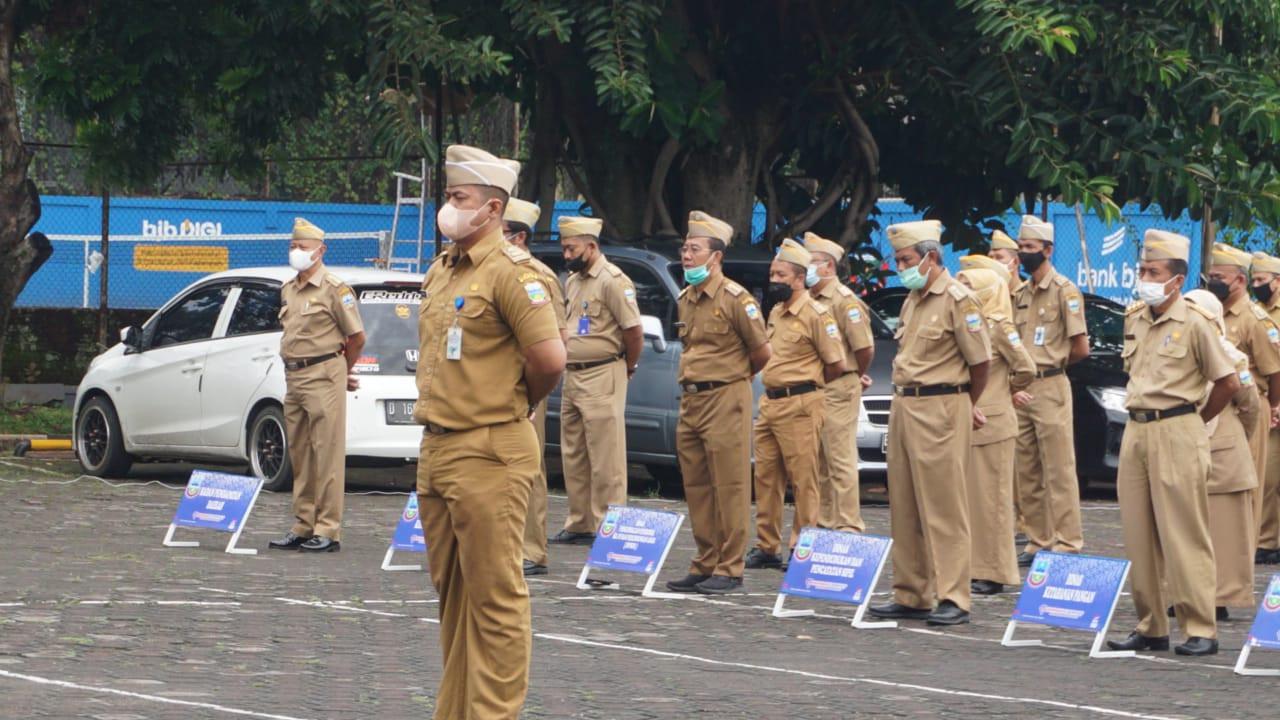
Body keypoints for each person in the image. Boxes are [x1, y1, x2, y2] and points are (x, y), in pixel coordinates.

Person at [414, 144, 566, 718]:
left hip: (489, 449)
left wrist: (514, 400)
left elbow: (549, 359)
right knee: (454, 599)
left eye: (459, 199)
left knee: (496, 600)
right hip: (440, 448)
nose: (448, 208)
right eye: (449, 197)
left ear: (493, 208)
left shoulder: (514, 274)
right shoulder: (443, 267)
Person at [1105, 229, 1237, 658]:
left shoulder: (1195, 323)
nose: (1144, 277)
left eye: (1153, 271)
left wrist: (1196, 421)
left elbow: (1227, 381)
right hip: (1138, 429)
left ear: (1177, 280)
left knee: (1185, 534)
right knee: (1138, 533)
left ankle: (1200, 627)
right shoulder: (1135, 317)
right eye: (1142, 269)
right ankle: (1151, 626)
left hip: (1179, 427)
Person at [869, 220, 991, 626]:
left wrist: (961, 405)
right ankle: (911, 591)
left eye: (906, 259)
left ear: (931, 257)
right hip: (905, 406)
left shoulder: (957, 299)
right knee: (904, 503)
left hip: (942, 405)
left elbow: (980, 364)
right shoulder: (913, 299)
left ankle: (954, 594)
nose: (901, 267)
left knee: (944, 506)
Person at [665, 211, 771, 595]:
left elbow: (761, 353)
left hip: (726, 396)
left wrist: (733, 379)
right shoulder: (686, 298)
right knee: (696, 484)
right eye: (685, 248)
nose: (686, 255)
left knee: (729, 483)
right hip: (691, 399)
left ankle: (730, 565)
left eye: (694, 249)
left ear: (716, 257)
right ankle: (705, 561)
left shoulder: (735, 299)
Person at [745, 238, 846, 570]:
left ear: (800, 278)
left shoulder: (817, 314)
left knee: (803, 479)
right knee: (766, 477)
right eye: (773, 274)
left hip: (802, 403)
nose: (774, 281)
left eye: (781, 275)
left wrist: (808, 389)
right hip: (771, 403)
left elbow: (836, 364)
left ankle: (803, 546)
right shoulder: (776, 311)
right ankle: (767, 545)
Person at [268, 217, 365, 553]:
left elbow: (356, 337)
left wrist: (339, 369)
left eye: (303, 247)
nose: (296, 252)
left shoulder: (334, 289)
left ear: (320, 251)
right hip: (293, 377)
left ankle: (328, 528)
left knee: (327, 454)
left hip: (323, 375)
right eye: (293, 246)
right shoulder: (288, 288)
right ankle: (303, 523)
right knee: (301, 453)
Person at [553, 217, 643, 545]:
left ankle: (609, 525)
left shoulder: (613, 280)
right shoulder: (574, 281)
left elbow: (633, 331)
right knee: (574, 453)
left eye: (571, 248)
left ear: (591, 246)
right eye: (564, 248)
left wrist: (627, 366)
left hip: (604, 372)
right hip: (573, 374)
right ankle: (581, 522)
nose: (566, 255)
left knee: (606, 456)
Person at [1012, 215, 1089, 566]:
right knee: (1026, 469)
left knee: (1058, 468)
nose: (1023, 253)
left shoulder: (1065, 291)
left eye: (1030, 248)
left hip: (1051, 383)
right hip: (1022, 387)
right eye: (1021, 247)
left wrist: (1052, 366)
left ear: (1047, 250)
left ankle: (1068, 541)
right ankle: (1038, 539)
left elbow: (1080, 347)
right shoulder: (1022, 293)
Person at [956, 265, 1035, 596]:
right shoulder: (967, 323)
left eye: (968, 285)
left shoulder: (999, 324)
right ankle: (974, 566)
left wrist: (1006, 389)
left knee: (993, 502)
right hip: (969, 419)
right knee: (972, 501)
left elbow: (1026, 367)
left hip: (993, 422)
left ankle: (995, 571)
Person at [503, 198, 568, 576]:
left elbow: (555, 341)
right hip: (490, 385)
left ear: (520, 237)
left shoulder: (537, 276)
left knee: (528, 466)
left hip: (524, 385)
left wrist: (533, 394)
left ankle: (531, 549)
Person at [1184, 289, 1258, 620]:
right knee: (1183, 526)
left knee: (1225, 529)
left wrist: (1234, 434)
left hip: (1222, 451)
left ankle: (1219, 596)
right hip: (1182, 447)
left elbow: (1250, 407)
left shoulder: (1233, 357)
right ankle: (1183, 593)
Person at [1207, 243, 1280, 553]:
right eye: (1210, 275)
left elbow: (1275, 372)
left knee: (1248, 483)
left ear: (1239, 280)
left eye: (1219, 276)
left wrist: (1274, 407)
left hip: (1251, 409)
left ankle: (1246, 549)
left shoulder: (1255, 320)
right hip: (1220, 410)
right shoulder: (1212, 315)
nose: (1212, 282)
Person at [804, 231, 874, 532]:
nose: (804, 269)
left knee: (840, 457)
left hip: (839, 385)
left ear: (828, 267)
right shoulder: (810, 299)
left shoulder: (845, 301)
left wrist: (855, 375)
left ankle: (848, 524)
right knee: (819, 459)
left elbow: (864, 347)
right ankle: (825, 520)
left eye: (811, 263)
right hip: (817, 385)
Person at [1252, 250, 1280, 565]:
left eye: (1261, 280)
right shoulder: (1254, 313)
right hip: (1272, 402)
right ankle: (1268, 540)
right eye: (1254, 279)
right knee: (1268, 475)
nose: (1256, 285)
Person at [988, 229, 1023, 298]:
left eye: (999, 257)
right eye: (990, 258)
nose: (993, 262)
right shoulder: (987, 298)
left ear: (1016, 262)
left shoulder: (1029, 297)